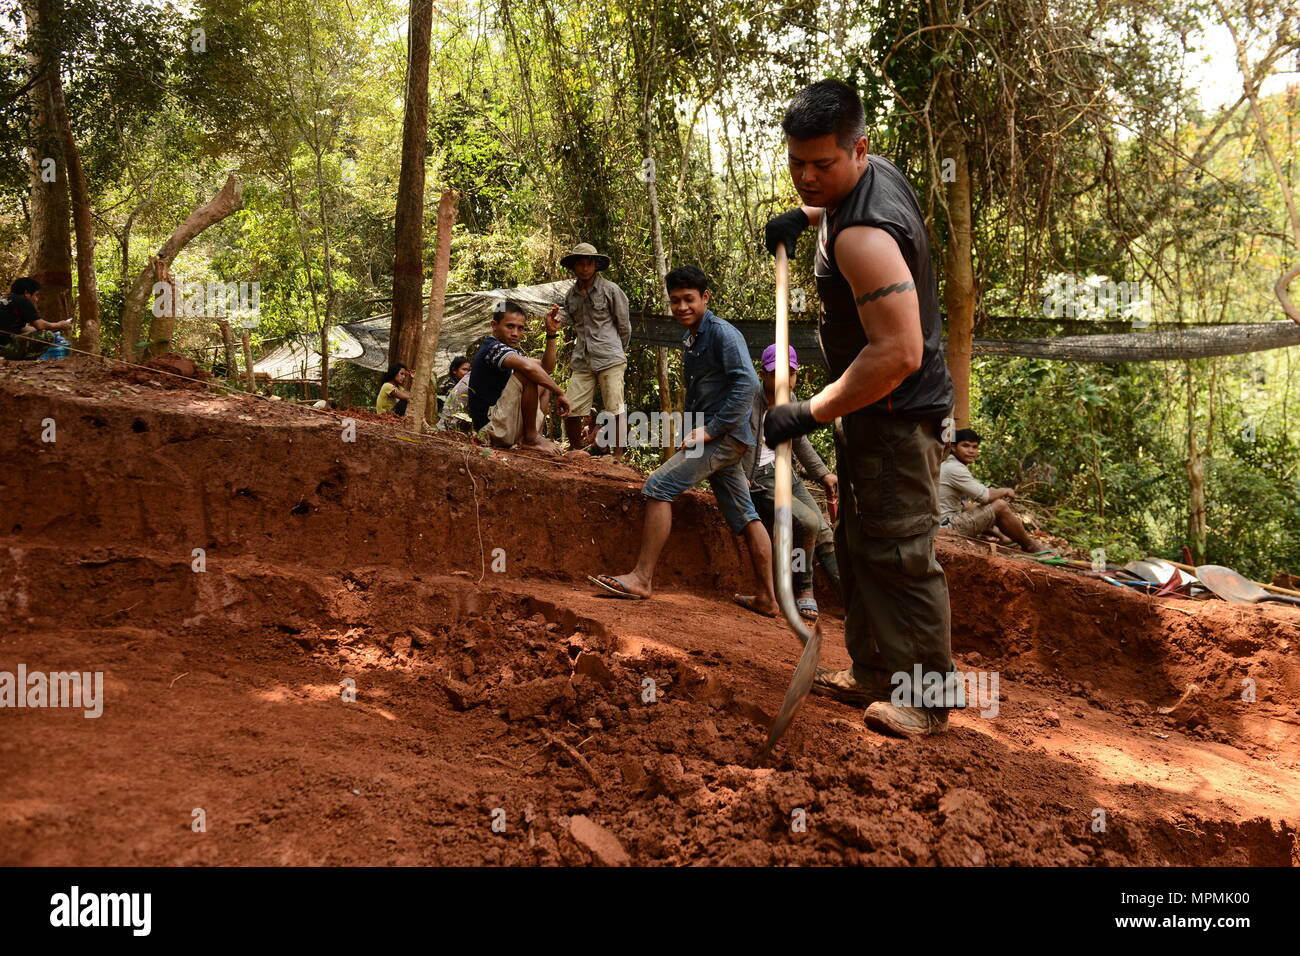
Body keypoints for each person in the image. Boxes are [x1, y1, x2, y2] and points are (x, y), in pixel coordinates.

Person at [762, 79, 960, 738]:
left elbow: (898, 351)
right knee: (863, 542)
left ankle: (927, 701)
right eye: (797, 163)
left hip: (898, 414)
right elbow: (838, 213)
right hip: (875, 412)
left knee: (901, 554)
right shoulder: (867, 185)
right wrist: (807, 222)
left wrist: (809, 412)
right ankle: (875, 670)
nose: (807, 177)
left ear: (858, 150)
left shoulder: (863, 238)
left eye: (822, 165)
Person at [589, 266, 778, 617]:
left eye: (689, 299)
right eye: (675, 301)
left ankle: (642, 578)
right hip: (723, 436)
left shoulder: (723, 334)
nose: (681, 307)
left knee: (658, 486)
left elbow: (747, 385)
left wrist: (709, 430)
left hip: (722, 437)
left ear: (705, 298)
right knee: (746, 514)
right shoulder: (693, 337)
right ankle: (767, 597)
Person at [742, 344, 842, 623]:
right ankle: (803, 588)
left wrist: (823, 474)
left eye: (790, 374)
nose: (784, 380)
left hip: (787, 474)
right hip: (759, 478)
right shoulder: (748, 398)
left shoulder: (791, 398)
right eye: (777, 374)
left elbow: (799, 441)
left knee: (824, 532)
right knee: (808, 522)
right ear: (764, 374)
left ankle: (852, 602)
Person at [467, 299, 570, 454]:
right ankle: (531, 438)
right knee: (529, 374)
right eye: (510, 326)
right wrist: (560, 392)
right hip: (489, 428)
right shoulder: (492, 347)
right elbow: (529, 368)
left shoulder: (509, 351)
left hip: (503, 423)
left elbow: (546, 368)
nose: (515, 333)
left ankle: (534, 436)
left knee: (541, 382)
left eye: (520, 328)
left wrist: (551, 334)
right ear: (494, 326)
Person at [559, 243, 631, 459]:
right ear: (573, 267)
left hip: (610, 358)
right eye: (579, 263)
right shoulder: (571, 296)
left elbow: (624, 326)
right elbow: (571, 323)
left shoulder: (611, 290)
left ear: (595, 265)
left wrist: (617, 351)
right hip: (582, 359)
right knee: (571, 407)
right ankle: (575, 451)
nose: (584, 268)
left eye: (588, 263)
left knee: (615, 408)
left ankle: (617, 457)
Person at [940, 428, 1050, 553]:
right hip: (946, 528)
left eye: (975, 447)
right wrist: (1005, 490)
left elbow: (964, 504)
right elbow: (985, 496)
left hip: (942, 523)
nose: (971, 451)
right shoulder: (955, 468)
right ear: (953, 448)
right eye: (966, 446)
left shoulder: (948, 465)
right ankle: (1030, 546)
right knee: (1000, 505)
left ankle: (1006, 537)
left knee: (971, 506)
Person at [0, 277, 72, 360]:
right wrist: (59, 325)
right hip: (5, 349)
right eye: (36, 295)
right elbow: (40, 325)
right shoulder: (22, 301)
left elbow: (21, 329)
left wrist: (50, 329)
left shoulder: (8, 301)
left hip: (3, 345)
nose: (36, 299)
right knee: (47, 336)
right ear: (26, 293)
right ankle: (26, 361)